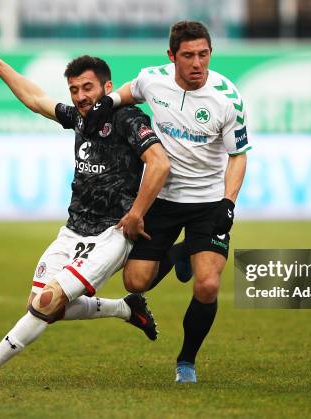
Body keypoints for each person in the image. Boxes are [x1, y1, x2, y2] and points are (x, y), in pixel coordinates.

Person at [0, 32, 170, 384]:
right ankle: (125, 308)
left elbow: (159, 164)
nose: (81, 96)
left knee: (45, 303)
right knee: (47, 305)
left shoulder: (128, 119)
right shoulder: (80, 119)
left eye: (88, 87)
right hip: (73, 230)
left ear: (108, 86)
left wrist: (135, 215)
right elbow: (36, 98)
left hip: (111, 233)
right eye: (74, 90)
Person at [84, 21, 251, 383]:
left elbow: (238, 155)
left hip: (208, 202)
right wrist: (107, 102)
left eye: (203, 55)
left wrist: (228, 202)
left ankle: (186, 361)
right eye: (188, 55)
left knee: (207, 284)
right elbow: (129, 91)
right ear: (171, 56)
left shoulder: (228, 98)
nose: (197, 63)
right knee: (135, 283)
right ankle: (179, 253)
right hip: (163, 198)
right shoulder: (153, 79)